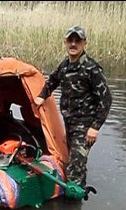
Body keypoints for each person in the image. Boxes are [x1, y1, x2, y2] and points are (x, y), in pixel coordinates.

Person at [34, 25, 112, 199]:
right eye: (70, 40)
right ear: (65, 42)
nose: (73, 44)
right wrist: (41, 97)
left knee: (75, 166)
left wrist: (95, 127)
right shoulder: (65, 65)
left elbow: (106, 100)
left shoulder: (92, 69)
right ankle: (79, 195)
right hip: (69, 123)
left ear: (84, 43)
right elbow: (52, 81)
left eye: (78, 40)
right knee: (75, 162)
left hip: (85, 128)